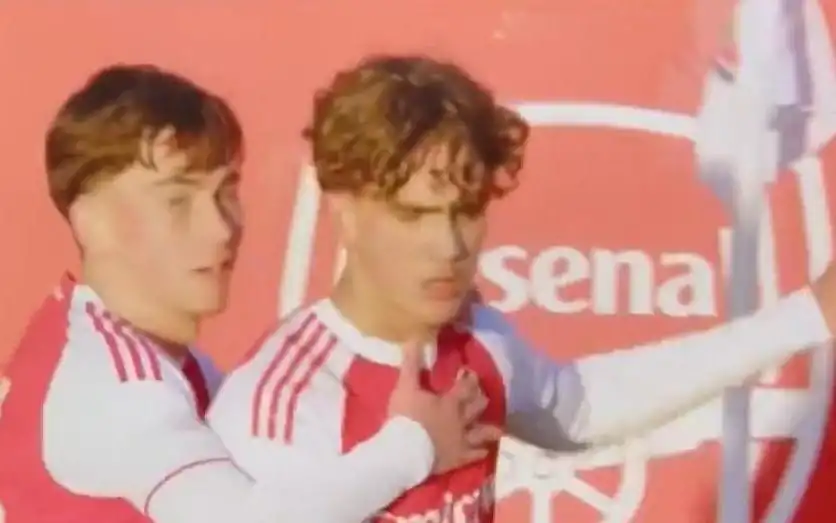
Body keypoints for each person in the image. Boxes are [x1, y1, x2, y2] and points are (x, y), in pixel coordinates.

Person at [207, 54, 836, 522]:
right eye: (414, 215)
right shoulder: (280, 408)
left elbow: (578, 409)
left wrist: (809, 315)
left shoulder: (474, 338)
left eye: (466, 211)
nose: (449, 245)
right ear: (344, 211)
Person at [0, 63, 493, 523]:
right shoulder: (116, 389)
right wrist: (414, 445)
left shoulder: (124, 345)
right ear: (93, 223)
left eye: (226, 189)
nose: (220, 227)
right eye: (177, 200)